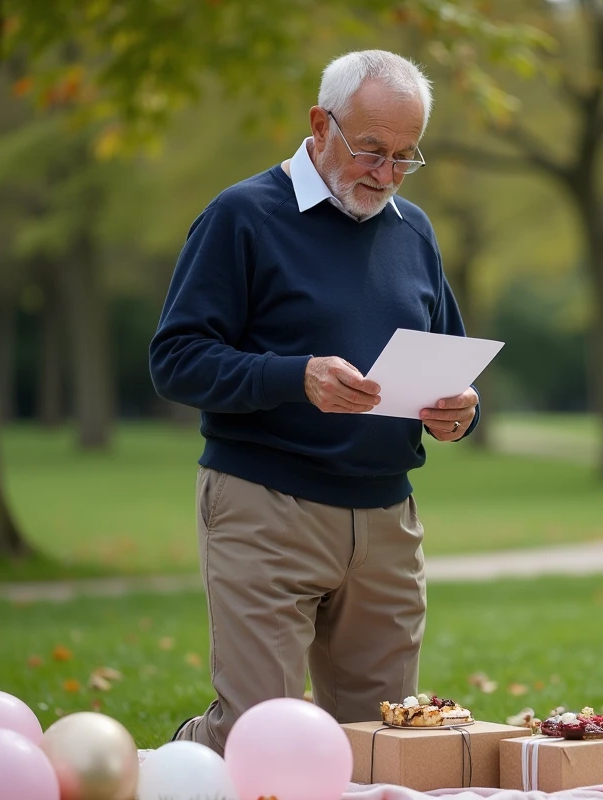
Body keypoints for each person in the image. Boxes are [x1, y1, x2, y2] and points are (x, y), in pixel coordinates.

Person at [148, 49, 480, 755]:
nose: (386, 174)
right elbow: (174, 361)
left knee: (383, 741)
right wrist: (293, 376)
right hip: (267, 506)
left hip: (388, 520)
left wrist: (461, 410)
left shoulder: (413, 229)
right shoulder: (241, 216)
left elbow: (448, 356)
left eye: (404, 156)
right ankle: (180, 760)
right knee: (260, 737)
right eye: (370, 150)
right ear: (319, 124)